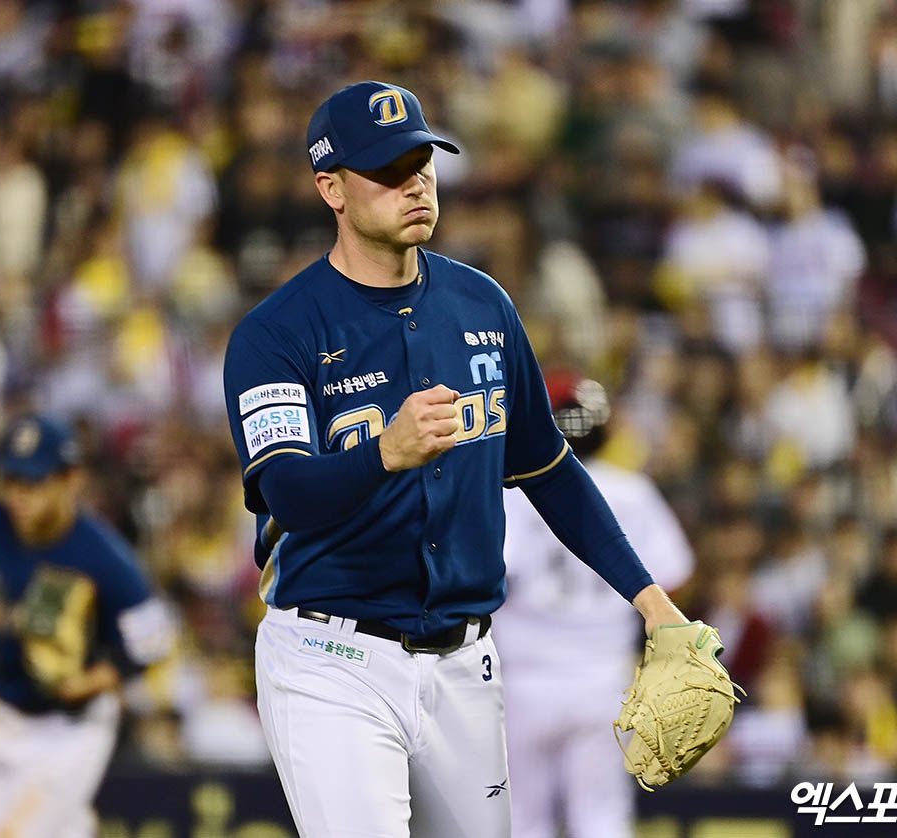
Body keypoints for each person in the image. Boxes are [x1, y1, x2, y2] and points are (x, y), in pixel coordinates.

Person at [222, 81, 707, 838]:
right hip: (330, 655)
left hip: (465, 662)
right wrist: (385, 452)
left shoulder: (484, 306)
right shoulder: (276, 332)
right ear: (331, 189)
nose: (414, 182)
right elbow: (287, 493)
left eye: (423, 161)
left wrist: (651, 602)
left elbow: (549, 470)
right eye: (388, 169)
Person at [0, 415, 172, 838]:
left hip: (69, 729)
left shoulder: (105, 559)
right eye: (10, 480)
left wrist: (91, 681)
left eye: (33, 483)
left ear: (70, 479)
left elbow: (152, 643)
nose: (18, 495)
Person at [495, 370, 694, 838]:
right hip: (604, 677)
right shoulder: (633, 491)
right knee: (602, 819)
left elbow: (493, 577)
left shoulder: (512, 493)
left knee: (523, 820)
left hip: (524, 677)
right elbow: (676, 576)